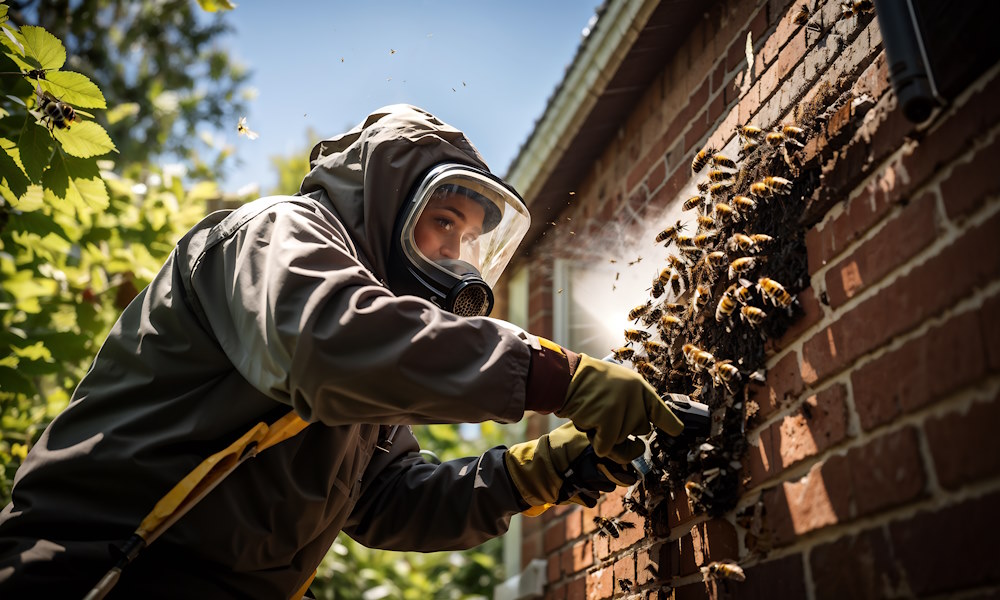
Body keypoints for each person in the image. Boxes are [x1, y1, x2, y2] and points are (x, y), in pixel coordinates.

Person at [0, 104, 685, 598]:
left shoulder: (373, 367)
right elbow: (323, 345)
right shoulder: (276, 236)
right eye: (442, 224)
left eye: (468, 240)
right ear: (384, 202)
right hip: (94, 571)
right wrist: (558, 376)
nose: (455, 256)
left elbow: (387, 500)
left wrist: (533, 473)